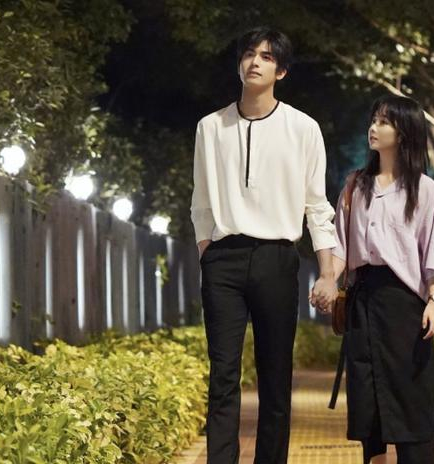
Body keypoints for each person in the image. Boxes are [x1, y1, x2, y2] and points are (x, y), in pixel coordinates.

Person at [190, 26, 337, 464]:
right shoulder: (210, 127)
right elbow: (201, 202)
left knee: (276, 378)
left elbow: (317, 205)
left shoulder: (303, 128)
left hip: (277, 258)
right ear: (239, 62)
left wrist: (329, 272)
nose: (255, 62)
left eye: (268, 57)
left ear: (281, 71)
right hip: (223, 260)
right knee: (223, 375)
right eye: (249, 54)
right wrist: (208, 252)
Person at [328, 94, 434, 464]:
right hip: (363, 302)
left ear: (404, 132)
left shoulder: (424, 189)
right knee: (367, 398)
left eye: (384, 122)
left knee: (412, 394)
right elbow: (340, 245)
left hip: (405, 305)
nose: (373, 128)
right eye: (373, 120)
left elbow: (432, 248)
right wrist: (327, 280)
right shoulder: (355, 186)